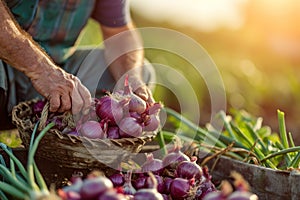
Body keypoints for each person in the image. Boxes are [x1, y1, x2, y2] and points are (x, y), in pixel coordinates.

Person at [0, 0, 155, 129]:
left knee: (138, 71)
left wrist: (130, 78)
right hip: (6, 66)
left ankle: (63, 138)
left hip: (56, 76)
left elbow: (120, 35)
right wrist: (40, 69)